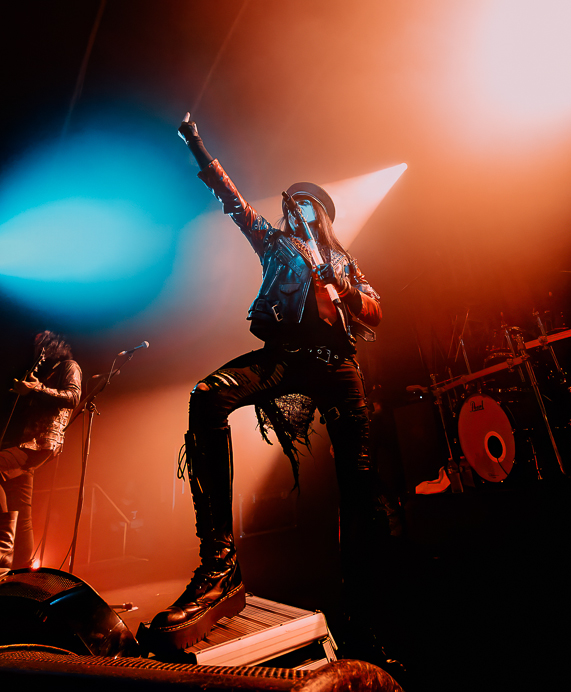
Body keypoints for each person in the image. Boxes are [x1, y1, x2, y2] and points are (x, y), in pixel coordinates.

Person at [147, 115, 395, 667]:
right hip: (285, 358)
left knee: (359, 488)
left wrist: (345, 291)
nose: (298, 206)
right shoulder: (276, 243)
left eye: (308, 202)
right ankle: (220, 566)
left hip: (338, 368)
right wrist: (198, 147)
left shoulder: (344, 260)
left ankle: (365, 617)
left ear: (323, 213)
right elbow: (234, 203)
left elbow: (377, 310)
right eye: (293, 201)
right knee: (208, 394)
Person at [0, 331, 82, 570]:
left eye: (41, 344)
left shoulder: (69, 366)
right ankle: (21, 567)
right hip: (29, 442)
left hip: (42, 442)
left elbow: (73, 397)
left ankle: (2, 545)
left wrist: (36, 389)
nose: (37, 348)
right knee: (21, 509)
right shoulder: (45, 375)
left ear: (53, 346)